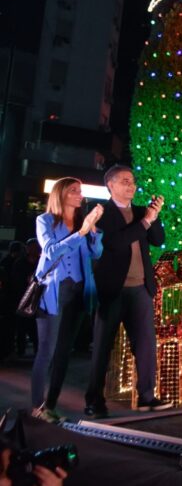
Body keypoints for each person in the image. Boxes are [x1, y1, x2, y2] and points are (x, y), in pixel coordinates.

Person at [84, 165, 171, 417]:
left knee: (145, 344)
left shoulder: (142, 211)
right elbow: (115, 243)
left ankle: (147, 396)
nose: (131, 186)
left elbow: (158, 240)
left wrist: (154, 216)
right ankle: (94, 400)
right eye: (125, 181)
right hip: (112, 290)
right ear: (110, 185)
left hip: (140, 290)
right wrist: (145, 221)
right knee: (102, 347)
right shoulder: (102, 212)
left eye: (133, 181)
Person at [30, 179, 104, 422]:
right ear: (60, 194)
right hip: (54, 291)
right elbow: (50, 251)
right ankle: (37, 407)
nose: (79, 195)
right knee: (46, 351)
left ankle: (50, 406)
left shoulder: (84, 221)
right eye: (74, 191)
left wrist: (93, 233)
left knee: (64, 352)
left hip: (79, 290)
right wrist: (81, 232)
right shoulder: (45, 221)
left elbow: (96, 253)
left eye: (80, 191)